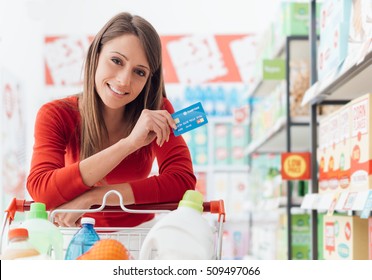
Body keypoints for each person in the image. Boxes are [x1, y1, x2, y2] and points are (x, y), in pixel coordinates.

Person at [26, 12, 196, 228]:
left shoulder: (157, 112)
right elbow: (42, 191)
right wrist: (129, 144)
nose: (124, 81)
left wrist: (94, 197)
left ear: (148, 80)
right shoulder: (56, 114)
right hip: (75, 233)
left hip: (138, 236)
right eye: (116, 61)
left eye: (139, 72)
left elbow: (182, 182)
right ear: (96, 55)